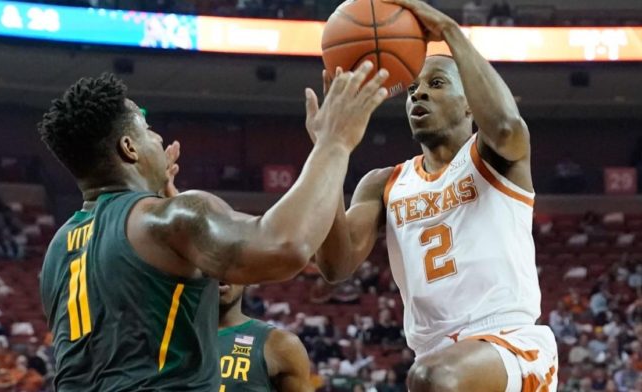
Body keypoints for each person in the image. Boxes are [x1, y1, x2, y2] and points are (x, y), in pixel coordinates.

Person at [38, 64, 389, 390]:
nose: (158, 138)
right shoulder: (167, 219)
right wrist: (334, 143)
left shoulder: (58, 250)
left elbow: (131, 338)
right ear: (129, 148)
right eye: (147, 130)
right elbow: (285, 246)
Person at [314, 0, 558, 390]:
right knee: (430, 375)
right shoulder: (383, 183)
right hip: (434, 359)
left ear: (469, 105)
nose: (419, 95)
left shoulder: (493, 157)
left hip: (510, 344)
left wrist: (449, 31)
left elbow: (508, 125)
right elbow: (334, 265)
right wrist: (330, 151)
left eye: (436, 84)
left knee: (432, 378)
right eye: (412, 90)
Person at [218, 282, 312, 391]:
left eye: (230, 268)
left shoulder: (281, 343)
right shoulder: (193, 338)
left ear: (247, 278)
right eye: (213, 268)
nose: (221, 278)